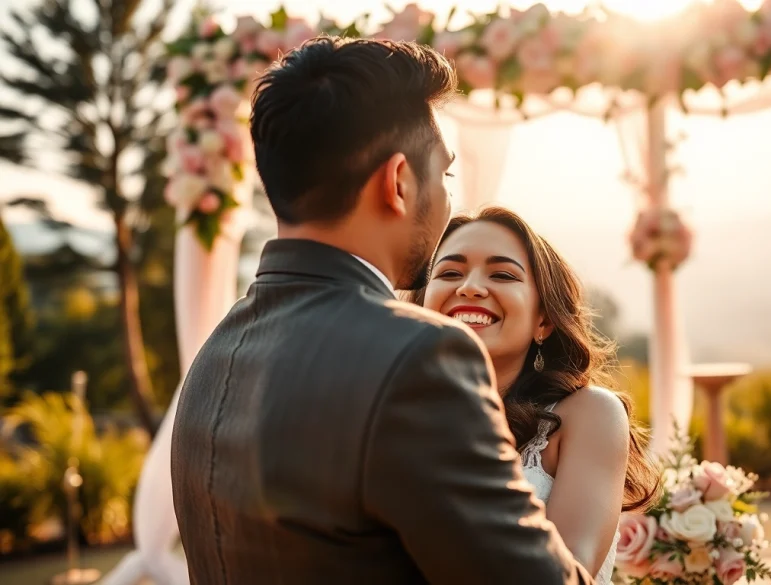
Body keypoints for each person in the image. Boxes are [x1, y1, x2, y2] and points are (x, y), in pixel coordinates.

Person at [170, 37, 593, 585]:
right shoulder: (420, 356)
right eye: (443, 175)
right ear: (398, 182)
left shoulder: (216, 353)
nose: (446, 201)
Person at [414, 206, 661, 584]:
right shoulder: (399, 413)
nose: (470, 287)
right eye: (449, 273)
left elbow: (569, 567)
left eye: (501, 274)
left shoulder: (591, 414)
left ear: (543, 320)